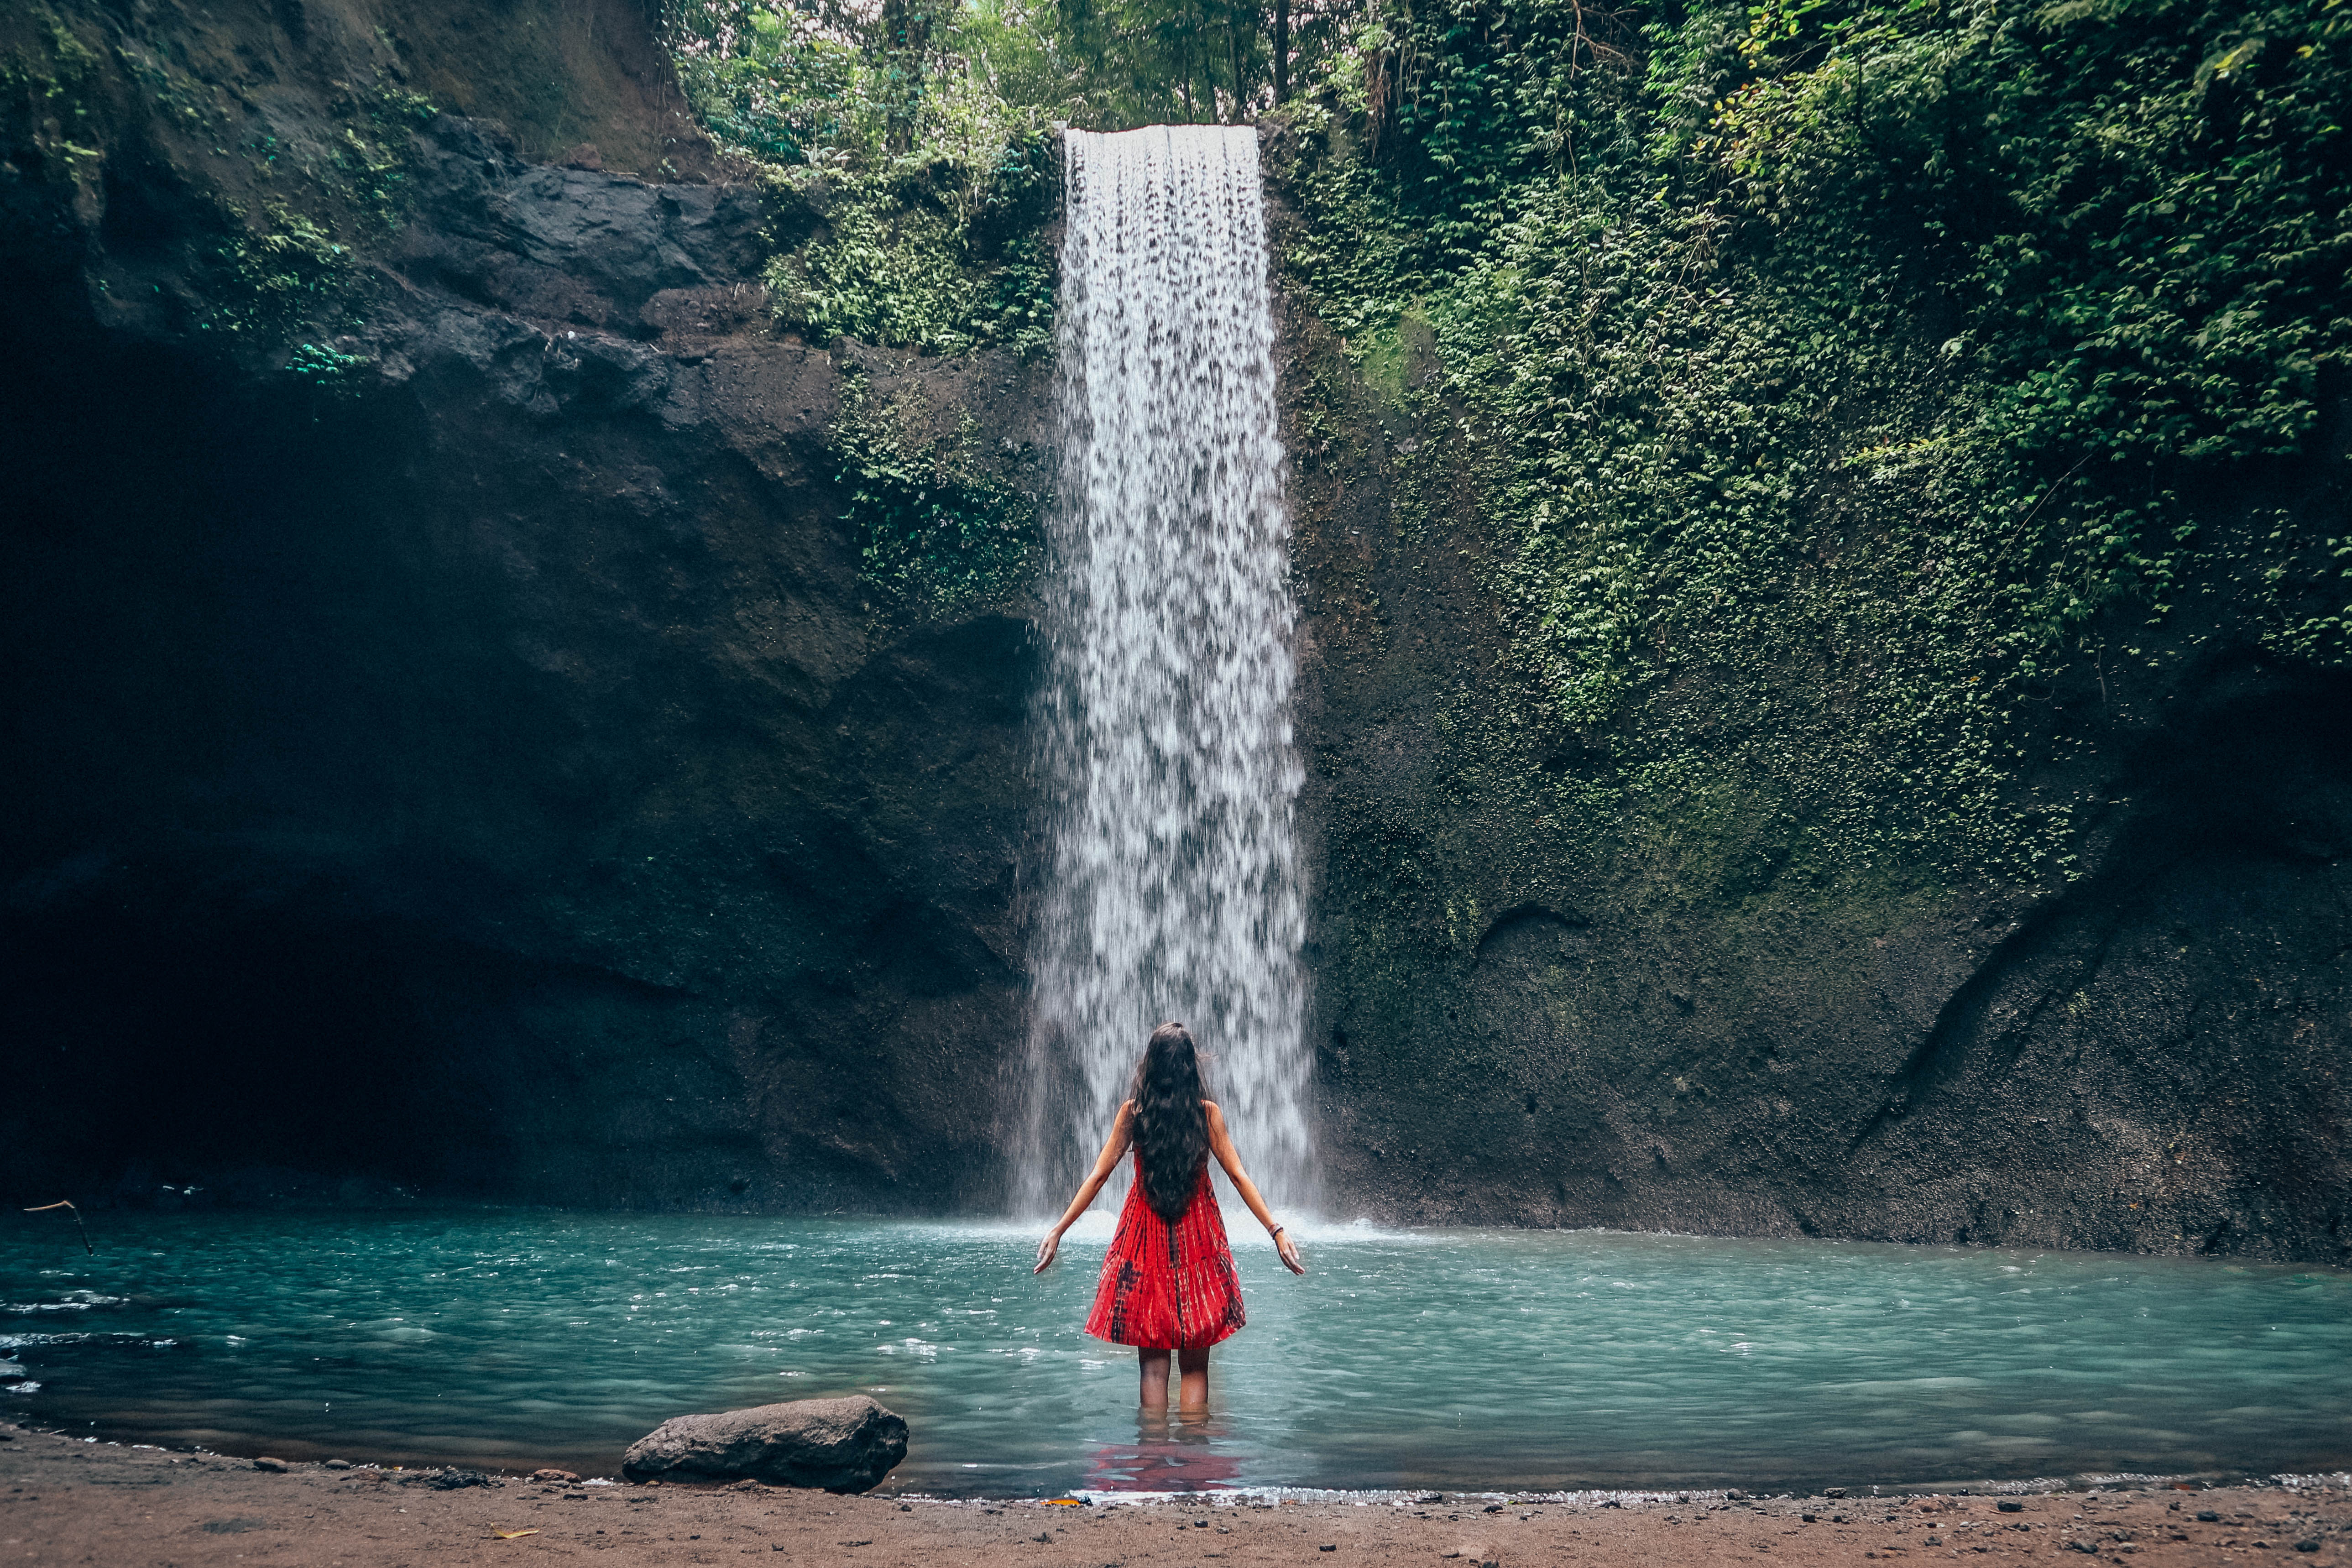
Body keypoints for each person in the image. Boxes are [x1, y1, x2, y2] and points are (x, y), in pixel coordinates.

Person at [1033, 1021, 1306, 1414]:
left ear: (1150, 1065)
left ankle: (1152, 1464)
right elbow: (1238, 1176)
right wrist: (1275, 1230)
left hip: (1145, 1239)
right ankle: (1196, 1463)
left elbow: (1099, 1175)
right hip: (1199, 1239)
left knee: (1153, 1371)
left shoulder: (1133, 1114)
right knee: (1195, 1368)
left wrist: (1059, 1229)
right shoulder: (1208, 1115)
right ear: (1192, 1069)